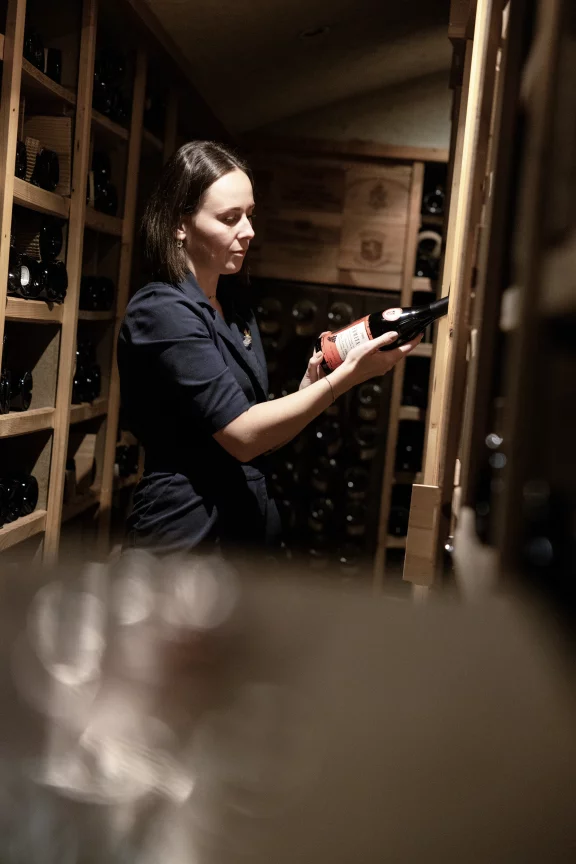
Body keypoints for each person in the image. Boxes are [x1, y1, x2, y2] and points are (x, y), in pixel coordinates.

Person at [117, 140, 421, 557]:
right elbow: (242, 436)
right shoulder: (161, 311)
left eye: (250, 215)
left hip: (244, 526)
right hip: (186, 536)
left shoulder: (234, 306)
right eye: (229, 218)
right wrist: (349, 377)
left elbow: (260, 433)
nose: (249, 231)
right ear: (179, 224)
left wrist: (313, 384)